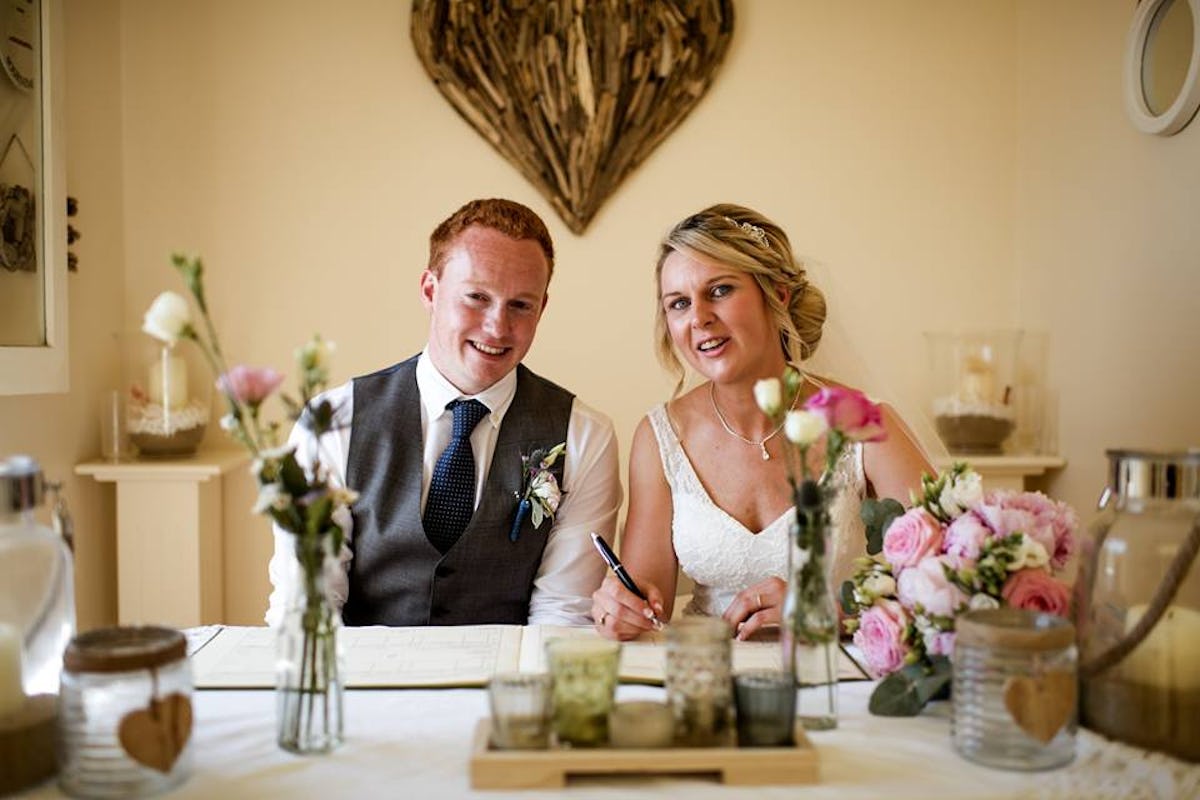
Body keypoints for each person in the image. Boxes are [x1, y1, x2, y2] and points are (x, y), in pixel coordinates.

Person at [266, 198, 622, 627]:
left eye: (520, 305)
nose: (497, 327)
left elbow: (563, 614)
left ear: (542, 308)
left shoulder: (584, 436)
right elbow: (307, 606)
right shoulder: (332, 422)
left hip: (506, 685)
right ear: (430, 290)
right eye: (477, 297)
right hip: (363, 683)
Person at [592, 203, 932, 641]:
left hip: (832, 676)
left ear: (778, 293)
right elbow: (644, 600)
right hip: (708, 680)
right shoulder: (660, 436)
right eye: (678, 303)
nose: (698, 318)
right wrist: (619, 611)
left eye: (719, 291)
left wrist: (830, 613)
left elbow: (950, 581)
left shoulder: (863, 424)